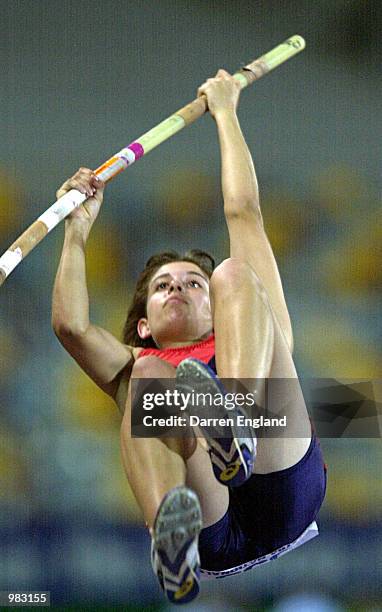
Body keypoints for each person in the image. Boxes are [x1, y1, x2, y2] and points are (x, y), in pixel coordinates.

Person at [52, 70, 327, 605]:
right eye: (162, 286)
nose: (178, 286)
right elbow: (71, 327)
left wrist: (226, 113)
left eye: (191, 283)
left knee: (235, 272)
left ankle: (240, 420)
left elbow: (243, 213)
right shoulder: (138, 359)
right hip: (210, 525)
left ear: (215, 307)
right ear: (143, 323)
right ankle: (169, 540)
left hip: (281, 477)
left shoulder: (250, 322)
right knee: (150, 376)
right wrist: (76, 233)